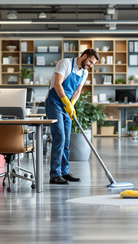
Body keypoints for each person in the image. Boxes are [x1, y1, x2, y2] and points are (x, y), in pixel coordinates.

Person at [45, 49, 99, 184]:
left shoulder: (84, 72)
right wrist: (66, 102)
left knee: (67, 139)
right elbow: (57, 84)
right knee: (60, 137)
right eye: (91, 62)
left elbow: (78, 90)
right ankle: (55, 174)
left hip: (67, 104)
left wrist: (72, 104)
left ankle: (64, 171)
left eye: (93, 64)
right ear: (84, 56)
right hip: (54, 103)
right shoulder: (65, 63)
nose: (91, 65)